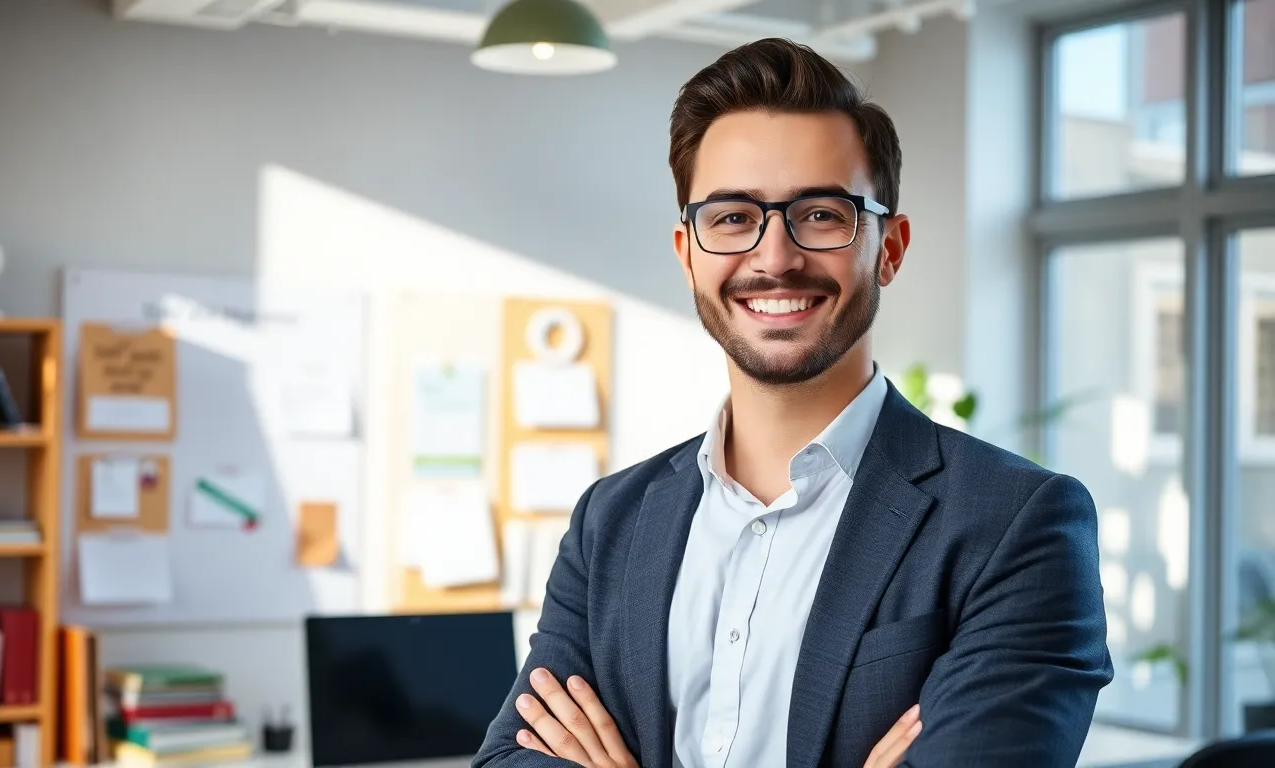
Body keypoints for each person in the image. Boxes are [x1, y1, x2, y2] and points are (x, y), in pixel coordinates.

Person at [472, 37, 1113, 768]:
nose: (774, 258)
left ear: (890, 248)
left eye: (821, 214)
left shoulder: (1015, 524)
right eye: (733, 217)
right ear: (688, 253)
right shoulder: (612, 522)